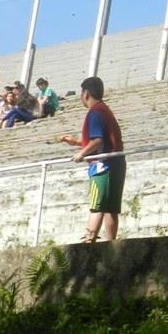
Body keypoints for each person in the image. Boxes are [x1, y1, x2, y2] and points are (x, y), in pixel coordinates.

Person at [61, 76, 126, 242]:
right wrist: (76, 142)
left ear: (86, 93)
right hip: (117, 163)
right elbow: (101, 139)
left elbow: (98, 140)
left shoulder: (95, 112)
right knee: (111, 208)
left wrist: (81, 154)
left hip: (102, 166)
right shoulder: (105, 110)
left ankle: (89, 242)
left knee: (97, 206)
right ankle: (110, 244)